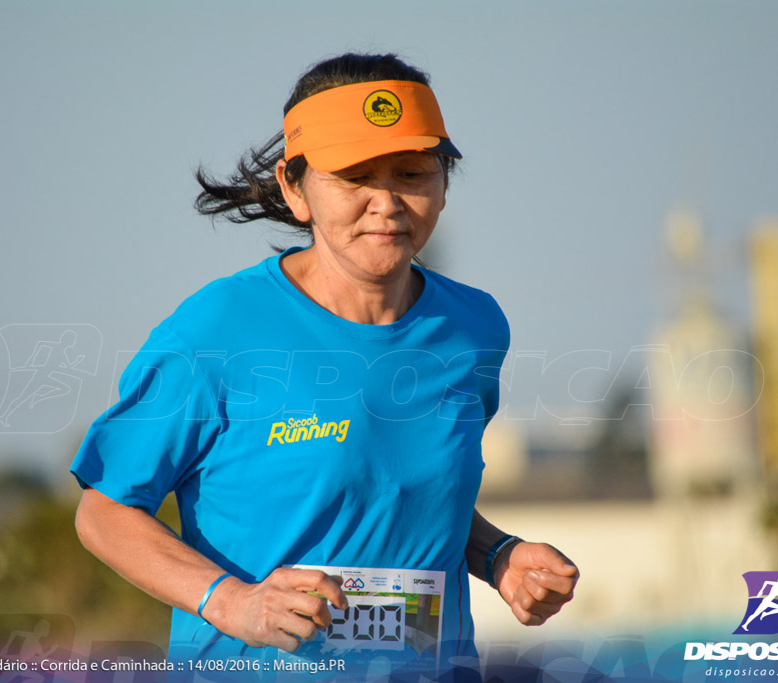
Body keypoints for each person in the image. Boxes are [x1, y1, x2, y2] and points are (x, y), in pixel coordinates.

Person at [71, 53, 578, 680]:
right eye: (354, 177)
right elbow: (104, 512)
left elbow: (400, 492)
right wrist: (232, 602)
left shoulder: (473, 329)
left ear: (444, 184)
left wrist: (498, 554)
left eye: (412, 173)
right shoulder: (214, 333)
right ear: (294, 187)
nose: (386, 202)